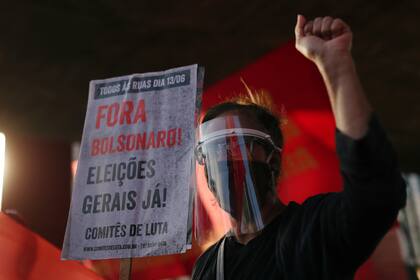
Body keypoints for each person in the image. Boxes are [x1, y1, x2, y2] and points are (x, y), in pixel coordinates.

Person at [191, 15, 407, 279]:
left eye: (235, 145)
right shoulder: (209, 266)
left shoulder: (313, 230)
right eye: (210, 152)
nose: (222, 161)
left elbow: (374, 193)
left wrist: (337, 68)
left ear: (270, 158)